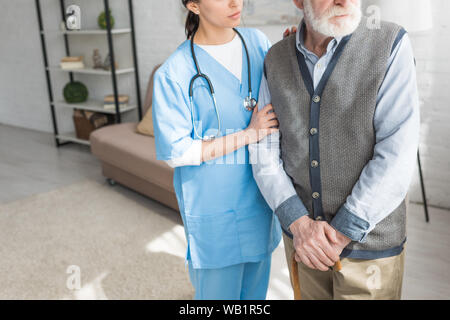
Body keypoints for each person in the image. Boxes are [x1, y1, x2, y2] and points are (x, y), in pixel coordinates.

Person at [249, 0, 420, 299]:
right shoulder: (275, 59)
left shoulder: (390, 44)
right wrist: (300, 226)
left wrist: (339, 233)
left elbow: (397, 154)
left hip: (371, 251)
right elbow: (265, 152)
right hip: (303, 244)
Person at [152, 0, 282, 300]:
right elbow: (177, 152)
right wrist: (248, 134)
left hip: (260, 197)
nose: (236, 2)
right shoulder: (175, 72)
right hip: (214, 205)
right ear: (193, 5)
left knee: (254, 296)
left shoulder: (257, 43)